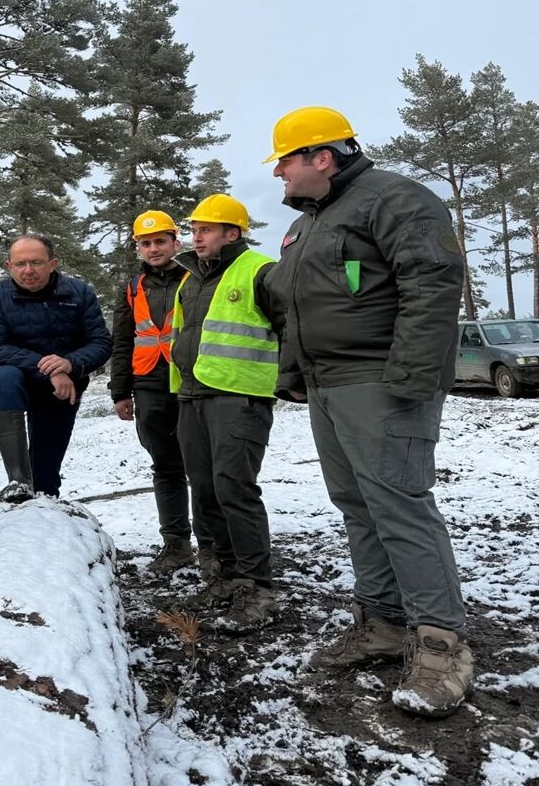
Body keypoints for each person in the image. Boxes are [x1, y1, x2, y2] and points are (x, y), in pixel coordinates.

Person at [262, 105, 472, 717]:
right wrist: (296, 374)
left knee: (399, 503)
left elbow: (432, 283)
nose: (278, 173)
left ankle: (441, 643)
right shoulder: (310, 224)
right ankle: (381, 621)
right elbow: (299, 306)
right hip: (329, 385)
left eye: (284, 161)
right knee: (356, 503)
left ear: (320, 157)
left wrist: (409, 377)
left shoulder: (395, 199)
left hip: (379, 379)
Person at [169, 194, 282, 635]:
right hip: (194, 395)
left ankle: (257, 585)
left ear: (231, 233)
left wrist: (287, 381)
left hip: (241, 395)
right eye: (194, 230)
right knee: (205, 487)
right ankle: (226, 574)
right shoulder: (190, 280)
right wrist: (179, 392)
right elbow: (181, 337)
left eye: (206, 230)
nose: (195, 237)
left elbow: (288, 327)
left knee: (234, 487)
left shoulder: (259, 269)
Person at [0, 235, 112, 502]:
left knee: (46, 476)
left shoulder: (79, 293)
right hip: (14, 384)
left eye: (36, 262)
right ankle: (17, 479)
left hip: (63, 388)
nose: (28, 270)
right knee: (4, 375)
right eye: (21, 264)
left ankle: (46, 514)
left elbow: (100, 343)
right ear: (9, 266)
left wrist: (70, 363)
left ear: (52, 264)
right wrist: (51, 369)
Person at [109, 210, 207, 573]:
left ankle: (211, 546)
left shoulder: (195, 277)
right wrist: (120, 392)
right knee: (165, 467)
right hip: (148, 383)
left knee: (199, 466)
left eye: (160, 241)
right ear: (138, 248)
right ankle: (177, 544)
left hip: (191, 382)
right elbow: (122, 340)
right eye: (145, 243)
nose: (153, 248)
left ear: (175, 242)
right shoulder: (132, 288)